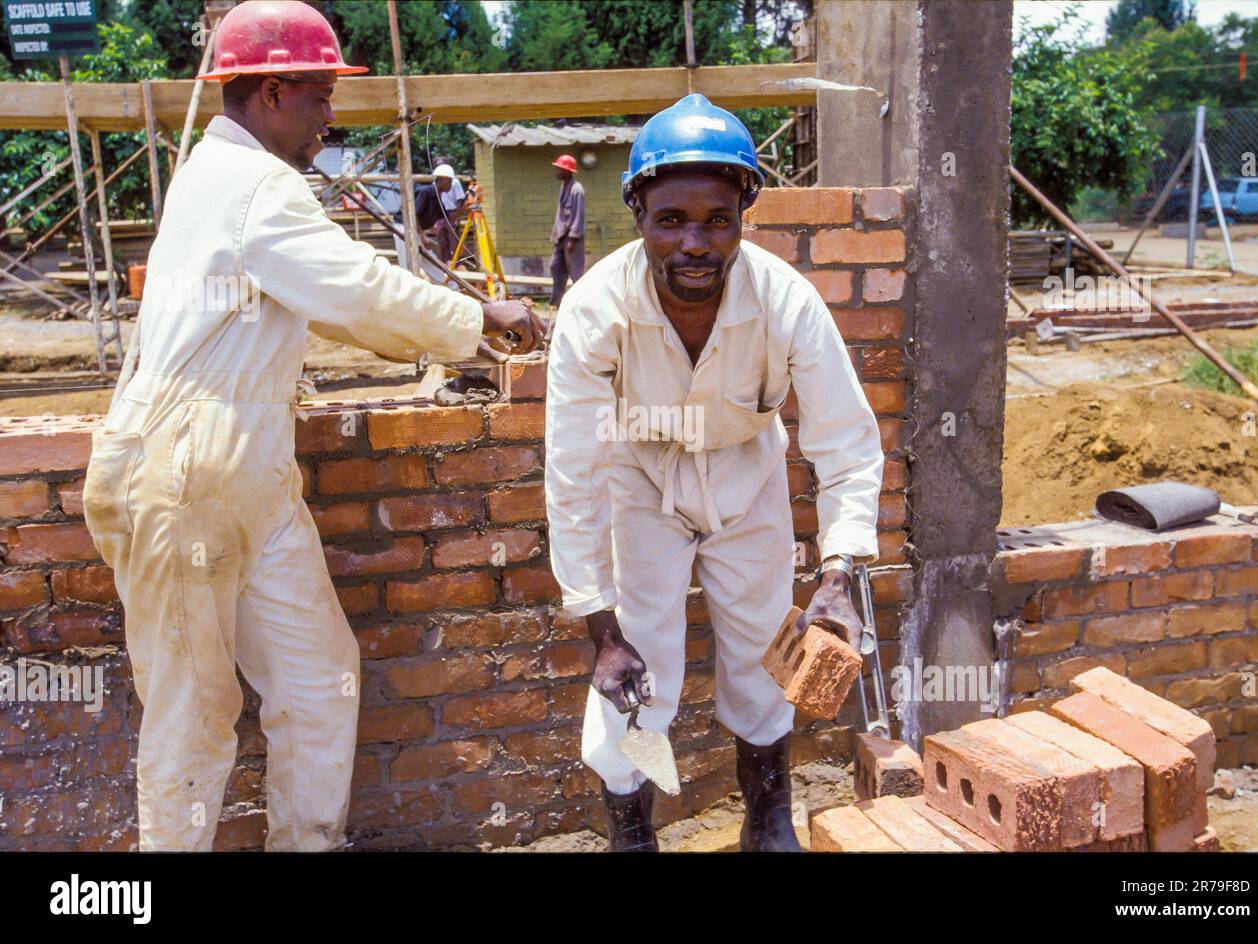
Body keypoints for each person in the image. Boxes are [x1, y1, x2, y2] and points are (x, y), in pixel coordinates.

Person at [80, 0, 542, 852]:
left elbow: (327, 298)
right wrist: (482, 316)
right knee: (194, 713)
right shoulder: (254, 185)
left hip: (242, 470)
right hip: (183, 475)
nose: (330, 116)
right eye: (319, 96)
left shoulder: (218, 175)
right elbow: (357, 294)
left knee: (320, 678)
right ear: (267, 90)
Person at [544, 94, 884, 852]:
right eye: (671, 220)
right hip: (641, 484)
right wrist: (600, 626)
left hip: (746, 479)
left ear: (742, 217)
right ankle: (633, 832)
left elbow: (846, 443)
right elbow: (573, 474)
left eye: (716, 220)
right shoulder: (595, 310)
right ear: (637, 213)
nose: (693, 242)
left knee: (765, 660)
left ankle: (767, 821)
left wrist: (837, 573)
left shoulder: (785, 301)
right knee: (638, 677)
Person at [549, 154, 586, 306]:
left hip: (572, 238)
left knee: (576, 273)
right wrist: (555, 235)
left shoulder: (577, 190)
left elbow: (578, 214)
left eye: (559, 169)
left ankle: (581, 303)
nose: (556, 171)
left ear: (567, 171)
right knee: (555, 267)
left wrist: (573, 237)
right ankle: (557, 303)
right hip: (561, 237)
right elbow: (560, 213)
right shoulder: (564, 186)